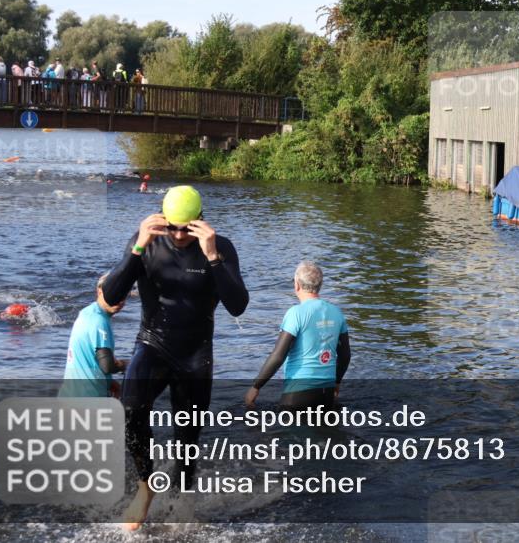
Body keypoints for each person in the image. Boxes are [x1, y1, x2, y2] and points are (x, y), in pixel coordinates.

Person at [100, 185, 248, 530]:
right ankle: (146, 485)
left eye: (186, 227)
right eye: (172, 227)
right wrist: (137, 248)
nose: (179, 235)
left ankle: (182, 506)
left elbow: (238, 305)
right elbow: (110, 296)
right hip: (152, 343)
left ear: (200, 220)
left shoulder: (220, 246)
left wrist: (212, 256)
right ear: (162, 219)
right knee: (132, 409)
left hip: (196, 353)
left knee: (187, 437)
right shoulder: (147, 241)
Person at [244, 261, 350, 411]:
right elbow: (345, 355)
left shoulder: (295, 313)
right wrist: (337, 383)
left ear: (297, 285)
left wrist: (256, 386)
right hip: (326, 394)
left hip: (298, 393)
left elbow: (278, 356)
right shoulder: (337, 313)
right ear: (320, 285)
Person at [59, 273, 128, 398]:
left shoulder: (87, 313)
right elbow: (108, 366)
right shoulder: (99, 321)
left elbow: (86, 357)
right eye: (114, 292)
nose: (120, 298)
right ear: (99, 291)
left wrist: (109, 382)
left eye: (123, 293)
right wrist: (131, 364)